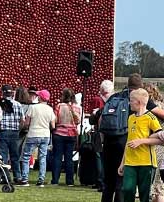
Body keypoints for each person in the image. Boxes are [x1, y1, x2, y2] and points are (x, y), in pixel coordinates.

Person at [96, 73, 164, 202]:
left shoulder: (114, 97)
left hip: (110, 142)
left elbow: (101, 119)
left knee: (108, 183)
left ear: (127, 84)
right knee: (121, 183)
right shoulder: (140, 100)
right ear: (140, 86)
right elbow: (160, 114)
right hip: (127, 143)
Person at [120, 88, 161, 202]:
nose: (129, 103)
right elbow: (129, 141)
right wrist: (122, 162)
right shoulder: (130, 118)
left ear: (138, 102)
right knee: (127, 189)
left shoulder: (150, 118)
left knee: (144, 194)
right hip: (130, 162)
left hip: (146, 162)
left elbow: (160, 140)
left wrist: (142, 141)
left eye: (131, 100)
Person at [19, 88, 56, 186]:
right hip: (45, 135)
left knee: (26, 156)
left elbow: (27, 123)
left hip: (33, 134)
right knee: (42, 157)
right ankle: (41, 180)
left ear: (40, 97)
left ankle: (25, 179)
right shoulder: (50, 109)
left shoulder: (33, 108)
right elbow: (53, 125)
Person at [50, 87, 82, 186]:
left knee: (57, 157)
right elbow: (78, 121)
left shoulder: (59, 106)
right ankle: (70, 181)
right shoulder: (77, 107)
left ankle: (55, 180)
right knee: (69, 158)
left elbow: (55, 120)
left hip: (59, 133)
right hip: (71, 134)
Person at [0, 84, 24, 183]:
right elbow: (22, 120)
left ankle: (5, 177)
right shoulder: (17, 104)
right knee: (15, 156)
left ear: (2, 92)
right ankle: (18, 176)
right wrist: (18, 129)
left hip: (3, 131)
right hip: (15, 132)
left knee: (3, 156)